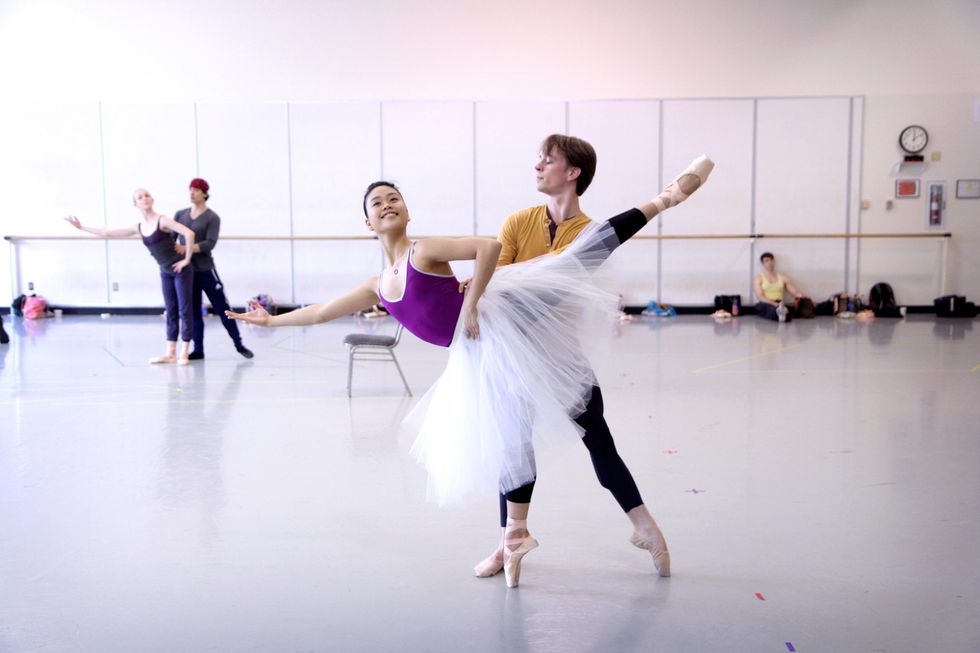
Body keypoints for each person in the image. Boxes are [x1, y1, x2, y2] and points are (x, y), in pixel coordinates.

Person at [226, 156, 713, 587]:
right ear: (367, 221)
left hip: (502, 309)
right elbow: (320, 311)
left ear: (407, 212)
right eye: (378, 202)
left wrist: (474, 303)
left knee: (573, 262)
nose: (388, 204)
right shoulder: (378, 285)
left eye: (394, 198)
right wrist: (271, 320)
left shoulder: (425, 250)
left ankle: (666, 198)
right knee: (511, 444)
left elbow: (487, 248)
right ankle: (514, 538)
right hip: (481, 353)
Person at [469, 134, 677, 582]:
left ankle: (647, 529)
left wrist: (664, 200)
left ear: (573, 172)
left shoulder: (589, 234)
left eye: (549, 159)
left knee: (598, 442)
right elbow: (498, 284)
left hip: (561, 357)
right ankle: (508, 543)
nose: (538, 165)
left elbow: (551, 288)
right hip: (513, 355)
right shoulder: (519, 221)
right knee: (514, 450)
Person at [65, 189, 196, 364]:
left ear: (153, 199)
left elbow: (189, 233)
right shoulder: (139, 227)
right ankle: (170, 352)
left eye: (147, 195)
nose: (145, 198)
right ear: (135, 204)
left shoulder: (162, 220)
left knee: (184, 309)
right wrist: (82, 227)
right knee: (171, 311)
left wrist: (186, 259)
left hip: (181, 270)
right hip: (165, 271)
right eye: (140, 197)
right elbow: (107, 232)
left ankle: (184, 351)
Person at [173, 178, 254, 360]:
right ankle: (198, 349)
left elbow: (209, 243)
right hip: (188, 272)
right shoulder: (180, 215)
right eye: (190, 189)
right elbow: (171, 237)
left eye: (196, 190)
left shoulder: (212, 217)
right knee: (194, 311)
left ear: (204, 193)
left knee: (222, 307)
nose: (192, 193)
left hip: (206, 270)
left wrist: (187, 248)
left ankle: (238, 344)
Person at [753, 252, 804, 322]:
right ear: (763, 264)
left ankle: (782, 315)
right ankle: (779, 315)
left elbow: (795, 292)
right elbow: (760, 296)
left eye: (771, 260)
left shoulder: (783, 277)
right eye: (766, 261)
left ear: (774, 261)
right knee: (771, 310)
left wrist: (804, 297)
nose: (770, 262)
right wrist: (774, 304)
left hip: (779, 303)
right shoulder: (759, 278)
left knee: (787, 313)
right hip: (766, 302)